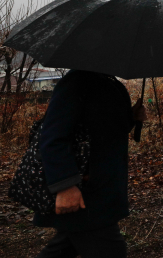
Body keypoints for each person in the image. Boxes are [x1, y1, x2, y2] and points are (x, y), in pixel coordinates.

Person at [34, 70, 147, 258]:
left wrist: (131, 118)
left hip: (103, 189)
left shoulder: (107, 82)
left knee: (63, 248)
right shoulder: (76, 82)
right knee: (111, 251)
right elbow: (52, 138)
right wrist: (65, 186)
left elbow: (103, 129)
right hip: (86, 192)